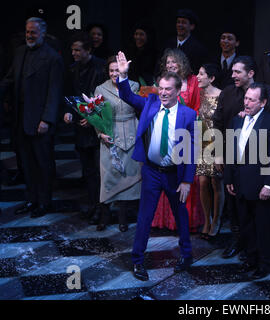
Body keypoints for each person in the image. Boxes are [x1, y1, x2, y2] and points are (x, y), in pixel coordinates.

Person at [116, 51, 197, 280]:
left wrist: (187, 181)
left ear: (177, 91)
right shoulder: (150, 103)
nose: (162, 92)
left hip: (174, 174)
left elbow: (192, 152)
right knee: (144, 218)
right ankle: (137, 262)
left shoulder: (189, 115)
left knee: (181, 215)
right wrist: (123, 76)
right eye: (160, 88)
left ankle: (187, 255)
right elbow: (127, 96)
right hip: (151, 171)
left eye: (167, 89)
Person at [212, 56, 270, 259]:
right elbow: (222, 130)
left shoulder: (269, 111)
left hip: (259, 174)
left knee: (260, 222)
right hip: (237, 171)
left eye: (237, 72)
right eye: (246, 99)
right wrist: (222, 160)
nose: (233, 76)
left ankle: (261, 259)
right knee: (240, 216)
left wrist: (269, 183)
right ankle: (244, 249)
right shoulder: (231, 101)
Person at [0, 17, 63, 218]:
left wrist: (47, 119)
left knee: (42, 164)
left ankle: (44, 202)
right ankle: (31, 199)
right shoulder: (19, 52)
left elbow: (54, 92)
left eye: (33, 32)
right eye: (27, 32)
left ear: (42, 33)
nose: (29, 35)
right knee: (26, 163)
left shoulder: (53, 58)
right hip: (20, 120)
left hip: (40, 122)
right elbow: (9, 79)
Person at [225, 83, 270, 279]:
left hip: (261, 186)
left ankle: (265, 264)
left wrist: (269, 185)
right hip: (240, 183)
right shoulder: (237, 121)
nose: (247, 102)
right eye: (246, 98)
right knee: (246, 226)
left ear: (263, 102)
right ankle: (250, 260)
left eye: (252, 99)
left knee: (263, 227)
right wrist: (229, 178)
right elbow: (232, 151)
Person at [152, 48, 203, 232]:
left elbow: (196, 107)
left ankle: (185, 222)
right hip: (166, 134)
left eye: (174, 62)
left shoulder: (193, 81)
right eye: (168, 62)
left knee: (184, 177)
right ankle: (167, 222)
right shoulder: (162, 83)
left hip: (186, 135)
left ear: (182, 63)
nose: (171, 65)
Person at [93, 56, 142, 232]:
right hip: (110, 136)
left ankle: (123, 218)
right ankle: (104, 217)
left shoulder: (134, 86)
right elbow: (95, 114)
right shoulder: (101, 88)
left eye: (117, 70)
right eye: (111, 70)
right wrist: (100, 133)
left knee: (128, 178)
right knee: (108, 178)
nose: (114, 73)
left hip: (130, 133)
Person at [63, 32, 107, 225]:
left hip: (98, 127)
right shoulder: (72, 69)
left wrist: (93, 119)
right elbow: (69, 94)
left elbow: (105, 98)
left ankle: (101, 208)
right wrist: (68, 111)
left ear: (88, 50)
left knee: (99, 170)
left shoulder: (100, 68)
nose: (74, 53)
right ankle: (92, 204)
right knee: (88, 170)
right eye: (72, 50)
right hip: (81, 127)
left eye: (78, 50)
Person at [196, 63, 224, 240]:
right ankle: (207, 219)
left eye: (201, 74)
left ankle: (217, 220)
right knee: (202, 182)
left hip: (217, 140)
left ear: (211, 78)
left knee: (216, 183)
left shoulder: (222, 95)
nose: (198, 77)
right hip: (202, 141)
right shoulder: (199, 94)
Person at [163, 9, 209, 74]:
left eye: (184, 22)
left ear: (192, 26)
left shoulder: (198, 49)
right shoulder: (168, 44)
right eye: (178, 22)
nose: (180, 25)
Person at [125, 20, 158, 86]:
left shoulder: (155, 54)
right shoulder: (129, 52)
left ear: (148, 36)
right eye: (136, 34)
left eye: (141, 34)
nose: (138, 37)